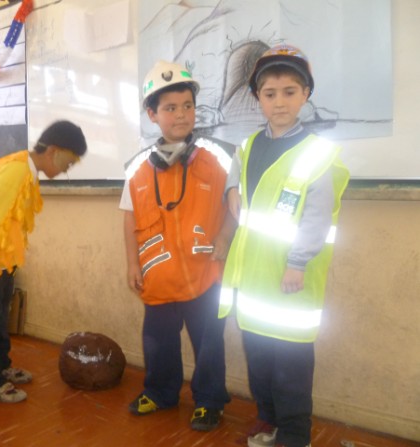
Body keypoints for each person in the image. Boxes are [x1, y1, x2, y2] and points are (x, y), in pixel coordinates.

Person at [219, 44, 350, 447]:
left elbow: (317, 217)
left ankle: (294, 435)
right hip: (253, 282)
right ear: (257, 97)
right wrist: (230, 190)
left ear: (305, 94)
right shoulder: (247, 147)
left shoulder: (317, 154)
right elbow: (235, 178)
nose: (279, 102)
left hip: (290, 281)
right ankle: (269, 419)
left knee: (291, 366)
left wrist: (297, 262)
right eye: (270, 93)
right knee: (259, 360)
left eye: (290, 92)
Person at [119, 60, 235, 431]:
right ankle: (161, 392)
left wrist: (224, 236)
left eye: (187, 105)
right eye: (170, 108)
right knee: (158, 343)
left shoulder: (219, 157)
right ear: (152, 114)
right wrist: (133, 264)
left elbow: (237, 205)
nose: (181, 114)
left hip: (205, 275)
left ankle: (209, 400)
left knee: (209, 344)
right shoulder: (137, 167)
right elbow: (129, 218)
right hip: (159, 276)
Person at [0, 120, 87, 403]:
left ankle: (0, 367)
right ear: (53, 151)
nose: (67, 169)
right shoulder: (16, 171)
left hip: (1, 257)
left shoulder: (26, 170)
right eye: (68, 162)